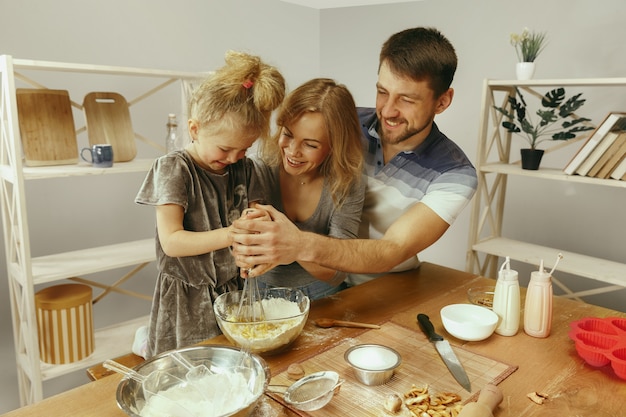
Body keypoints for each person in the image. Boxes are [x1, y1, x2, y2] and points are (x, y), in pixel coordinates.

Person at [231, 27, 477, 284]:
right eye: (382, 92)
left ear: (442, 101)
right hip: (323, 281)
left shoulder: (455, 174)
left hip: (385, 284)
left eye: (406, 99)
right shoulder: (339, 123)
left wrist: (297, 243)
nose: (388, 111)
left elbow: (394, 248)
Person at [134, 50, 285, 357]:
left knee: (231, 366)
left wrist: (254, 248)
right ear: (194, 129)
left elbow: (255, 222)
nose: (233, 159)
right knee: (190, 371)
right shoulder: (174, 169)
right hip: (186, 298)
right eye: (225, 148)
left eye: (243, 150)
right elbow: (172, 242)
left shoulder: (246, 168)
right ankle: (146, 340)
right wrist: (233, 234)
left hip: (232, 290)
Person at [242, 78, 365, 300]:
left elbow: (338, 271)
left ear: (334, 147)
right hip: (257, 291)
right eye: (288, 134)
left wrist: (295, 246)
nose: (292, 151)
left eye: (310, 145)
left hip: (321, 295)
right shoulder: (260, 166)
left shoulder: (347, 182)